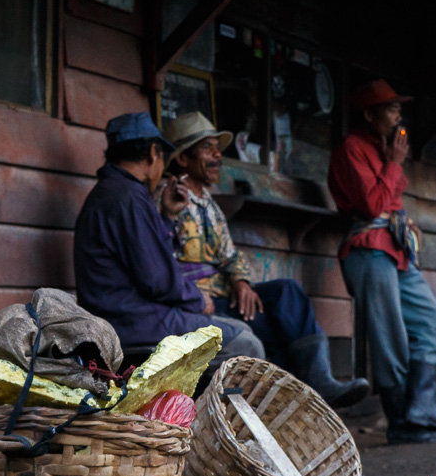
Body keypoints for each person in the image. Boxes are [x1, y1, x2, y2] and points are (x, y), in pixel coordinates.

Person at [159, 111, 370, 408]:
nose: (218, 156)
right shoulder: (166, 197)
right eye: (208, 148)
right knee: (278, 327)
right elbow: (157, 262)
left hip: (226, 295)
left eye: (217, 149)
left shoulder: (209, 203)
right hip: (198, 304)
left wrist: (242, 282)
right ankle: (301, 401)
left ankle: (319, 382)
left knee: (287, 292)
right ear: (183, 159)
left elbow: (230, 255)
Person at [328, 80, 436, 444]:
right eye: (391, 109)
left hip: (396, 250)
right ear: (370, 115)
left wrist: (403, 219)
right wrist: (393, 165)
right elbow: (372, 206)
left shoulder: (384, 148)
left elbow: (389, 203)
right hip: (368, 251)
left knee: (435, 325)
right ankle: (401, 423)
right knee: (390, 340)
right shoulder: (352, 148)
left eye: (399, 108)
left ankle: (422, 407)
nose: (398, 114)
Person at [73, 111, 264, 367]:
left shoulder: (110, 193)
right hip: (134, 323)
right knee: (245, 342)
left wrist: (167, 216)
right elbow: (158, 279)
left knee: (237, 330)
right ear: (154, 153)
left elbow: (147, 260)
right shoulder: (129, 197)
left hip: (128, 318)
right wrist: (198, 300)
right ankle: (209, 407)